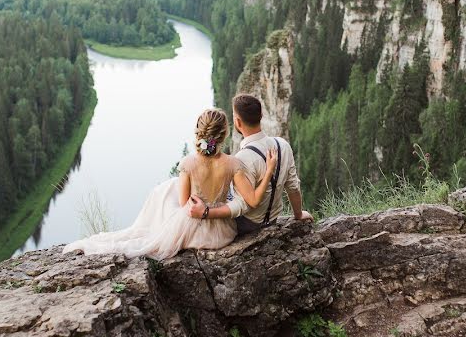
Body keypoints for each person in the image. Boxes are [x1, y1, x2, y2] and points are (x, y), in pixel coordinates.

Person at [62, 108, 278, 259]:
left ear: (201, 133)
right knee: (168, 190)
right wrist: (268, 171)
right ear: (225, 134)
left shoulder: (188, 163)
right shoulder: (233, 164)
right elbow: (253, 200)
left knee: (165, 192)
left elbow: (184, 203)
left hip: (192, 231)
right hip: (222, 235)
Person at [188, 94, 312, 231]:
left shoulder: (242, 158)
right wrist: (298, 214)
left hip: (247, 224)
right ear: (261, 116)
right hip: (272, 219)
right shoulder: (283, 145)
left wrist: (206, 212)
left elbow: (242, 205)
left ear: (238, 122)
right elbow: (293, 186)